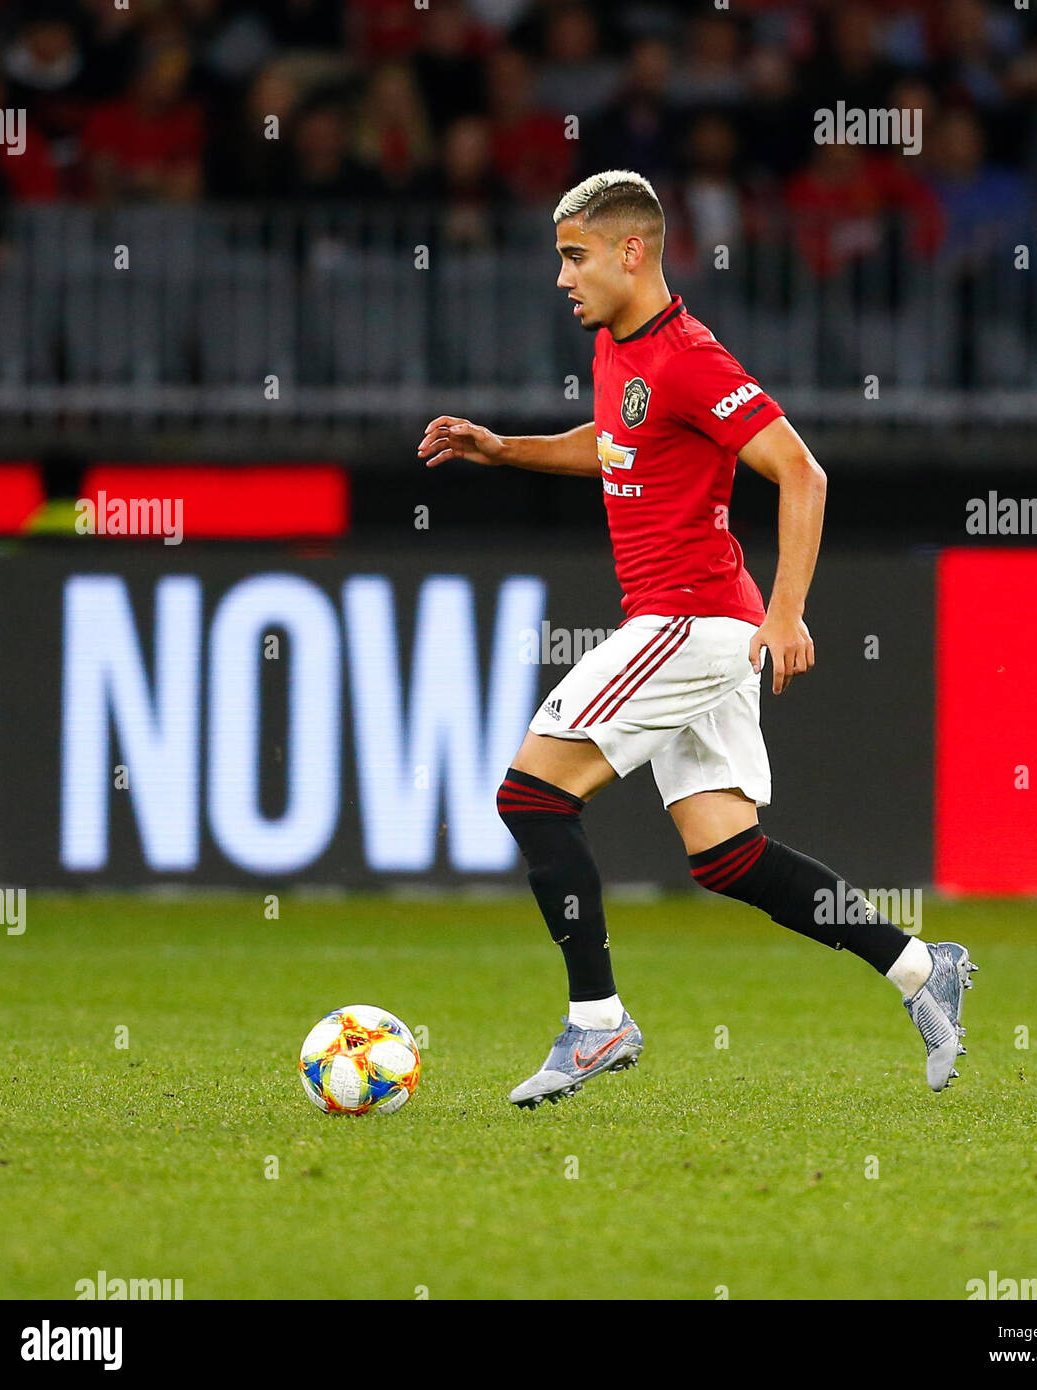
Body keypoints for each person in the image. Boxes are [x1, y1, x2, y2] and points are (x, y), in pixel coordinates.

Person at [417, 170, 976, 1107]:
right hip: (695, 624)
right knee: (727, 854)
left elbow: (802, 473)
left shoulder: (687, 357)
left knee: (530, 796)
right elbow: (612, 442)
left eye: (574, 255)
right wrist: (505, 448)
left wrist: (786, 611)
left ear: (631, 252)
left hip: (688, 621)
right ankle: (919, 966)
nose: (562, 277)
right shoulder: (618, 349)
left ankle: (597, 1024)